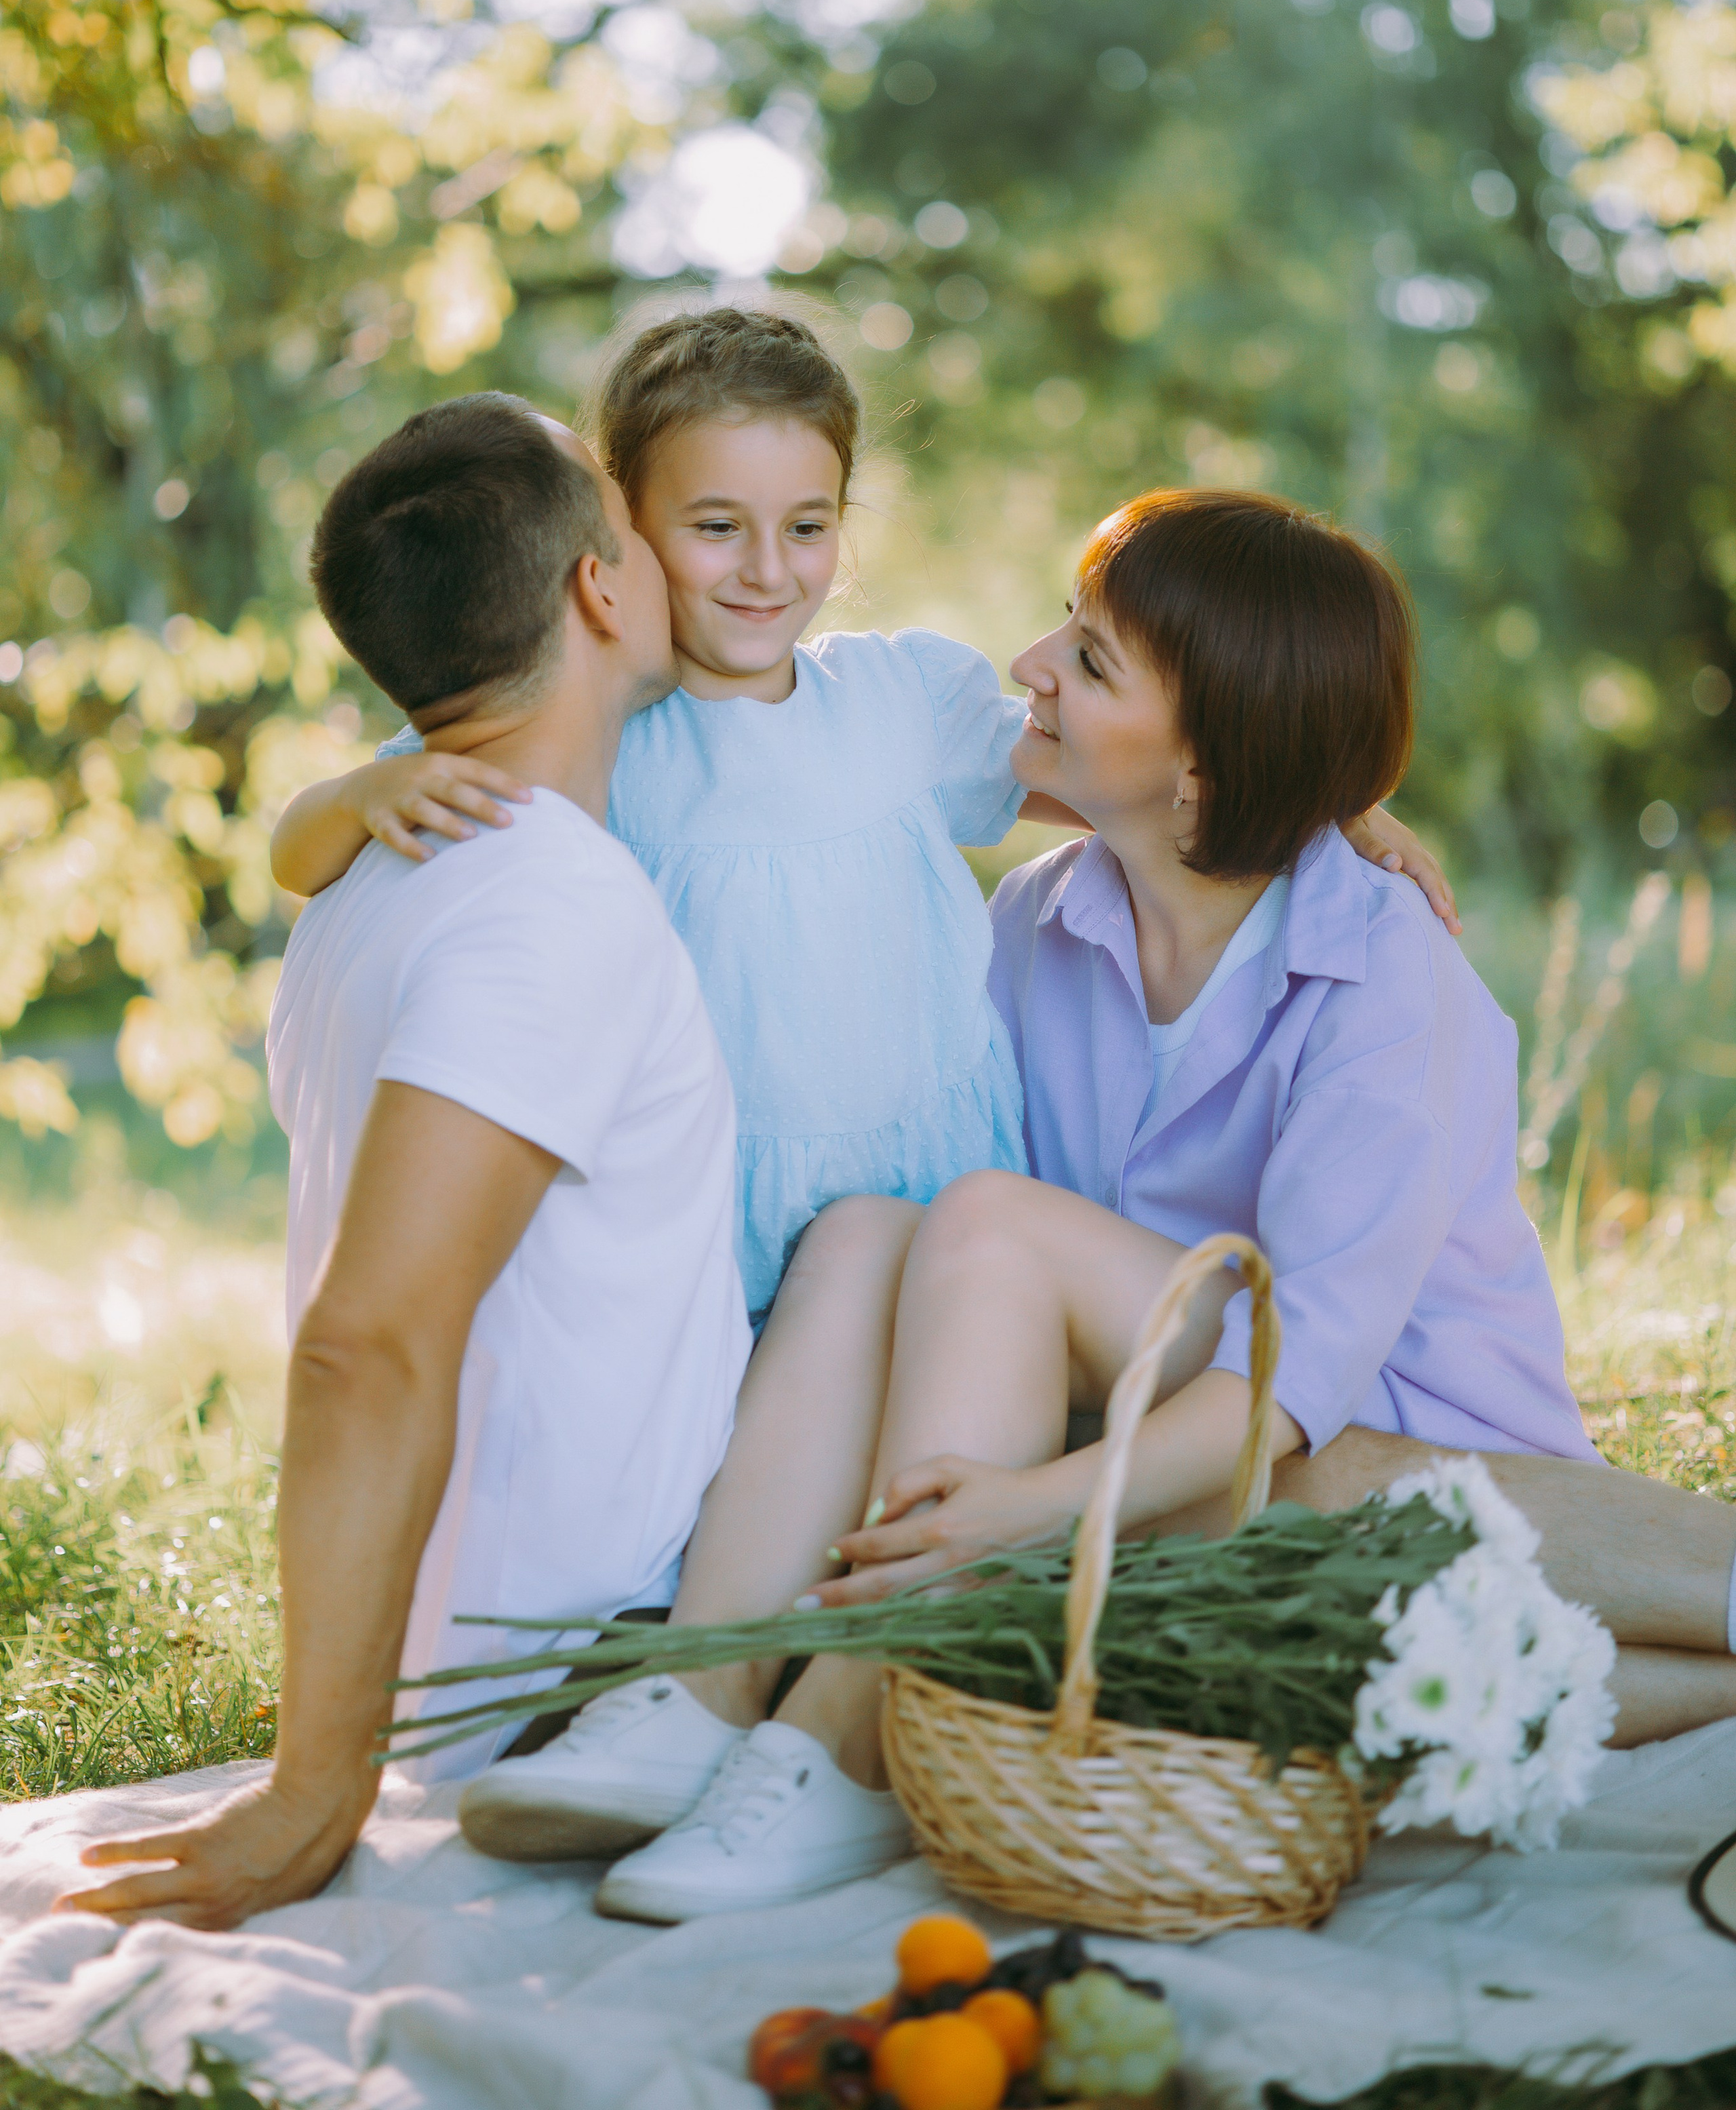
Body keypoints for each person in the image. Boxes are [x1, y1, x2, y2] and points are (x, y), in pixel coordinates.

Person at [503, 488, 1736, 1926]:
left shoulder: (1384, 979)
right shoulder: (1037, 927)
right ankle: (698, 1694)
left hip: (1375, 1464)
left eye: (1088, 662)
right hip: (1149, 1486)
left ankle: (839, 1745)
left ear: (1200, 775)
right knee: (863, 1230)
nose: (1026, 662)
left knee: (988, 1217)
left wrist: (1021, 1510)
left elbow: (1291, 1392)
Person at [271, 310, 1453, 1338]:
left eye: (808, 524)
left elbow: (1125, 770)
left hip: (928, 1189)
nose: (767, 572)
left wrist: (1337, 807)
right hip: (710, 1220)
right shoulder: (594, 733)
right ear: (623, 532)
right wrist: (355, 797)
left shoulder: (900, 705)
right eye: (716, 526)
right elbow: (296, 857)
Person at [57, 395, 750, 1932]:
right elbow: (367, 1343)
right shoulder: (541, 905)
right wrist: (317, 1785)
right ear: (598, 586)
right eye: (638, 529)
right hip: (585, 1664)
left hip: (502, 1645)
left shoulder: (377, 870)